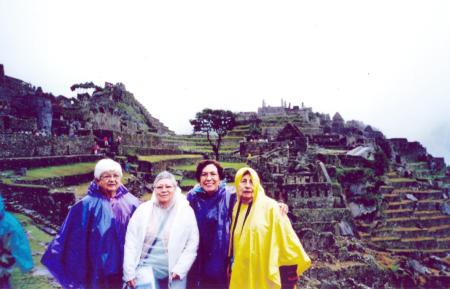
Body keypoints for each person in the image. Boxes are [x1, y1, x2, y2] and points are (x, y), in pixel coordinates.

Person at [186, 160, 288, 289]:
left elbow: (254, 197)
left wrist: (275, 204)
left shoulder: (230, 195)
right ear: (199, 179)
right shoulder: (192, 198)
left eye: (213, 174)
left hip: (223, 261)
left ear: (220, 178)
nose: (209, 178)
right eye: (204, 174)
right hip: (198, 259)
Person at [41, 158, 140, 289]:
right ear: (98, 180)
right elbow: (72, 239)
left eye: (115, 176)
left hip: (125, 264)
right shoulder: (85, 205)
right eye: (107, 176)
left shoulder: (131, 203)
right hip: (97, 268)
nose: (112, 179)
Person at [228, 167, 311, 289]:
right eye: (243, 181)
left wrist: (289, 278)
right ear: (237, 184)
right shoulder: (236, 208)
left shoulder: (271, 208)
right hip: (242, 272)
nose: (247, 185)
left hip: (264, 275)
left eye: (252, 181)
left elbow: (288, 242)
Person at [123, 171, 199, 289]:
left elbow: (192, 244)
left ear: (175, 188)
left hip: (173, 273)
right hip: (145, 272)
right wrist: (129, 272)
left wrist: (180, 269)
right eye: (159, 187)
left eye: (168, 186)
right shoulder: (143, 210)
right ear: (154, 189)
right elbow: (131, 242)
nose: (164, 190)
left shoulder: (185, 211)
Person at [0, 195, 33, 289]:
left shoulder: (8, 222)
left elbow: (18, 242)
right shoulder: (9, 220)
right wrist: (26, 264)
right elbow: (20, 243)